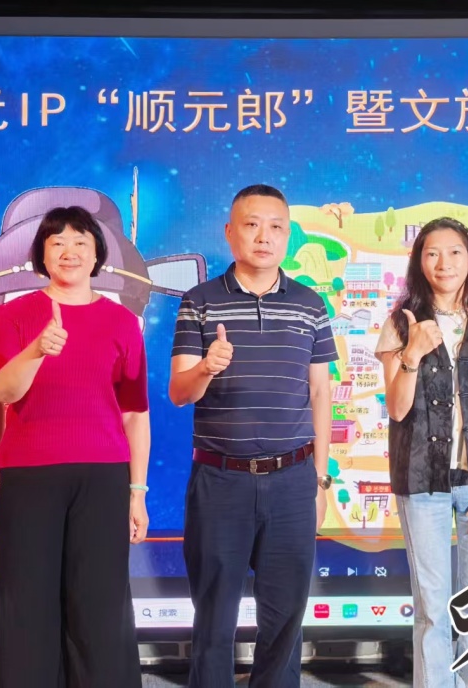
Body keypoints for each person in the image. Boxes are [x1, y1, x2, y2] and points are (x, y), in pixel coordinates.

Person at [169, 184, 338, 688]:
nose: (264, 237)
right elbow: (179, 392)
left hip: (293, 481)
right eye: (251, 224)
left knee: (285, 620)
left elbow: (320, 393)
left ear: (287, 235)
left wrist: (321, 480)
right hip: (220, 481)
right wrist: (206, 367)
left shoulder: (310, 304)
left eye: (276, 227)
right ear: (230, 232)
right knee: (214, 618)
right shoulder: (200, 301)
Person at [0, 205, 150, 688]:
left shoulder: (122, 321)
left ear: (98, 254)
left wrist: (137, 491)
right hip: (29, 475)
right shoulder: (14, 315)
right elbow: (3, 391)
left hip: (103, 476)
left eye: (81, 241)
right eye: (57, 242)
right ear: (41, 254)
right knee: (27, 601)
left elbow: (135, 413)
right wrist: (37, 349)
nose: (69, 251)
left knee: (99, 603)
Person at [374, 216, 468, 688]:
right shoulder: (401, 322)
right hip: (423, 482)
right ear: (419, 262)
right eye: (432, 253)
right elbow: (397, 409)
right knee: (433, 608)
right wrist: (412, 354)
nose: (444, 263)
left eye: (455, 252)